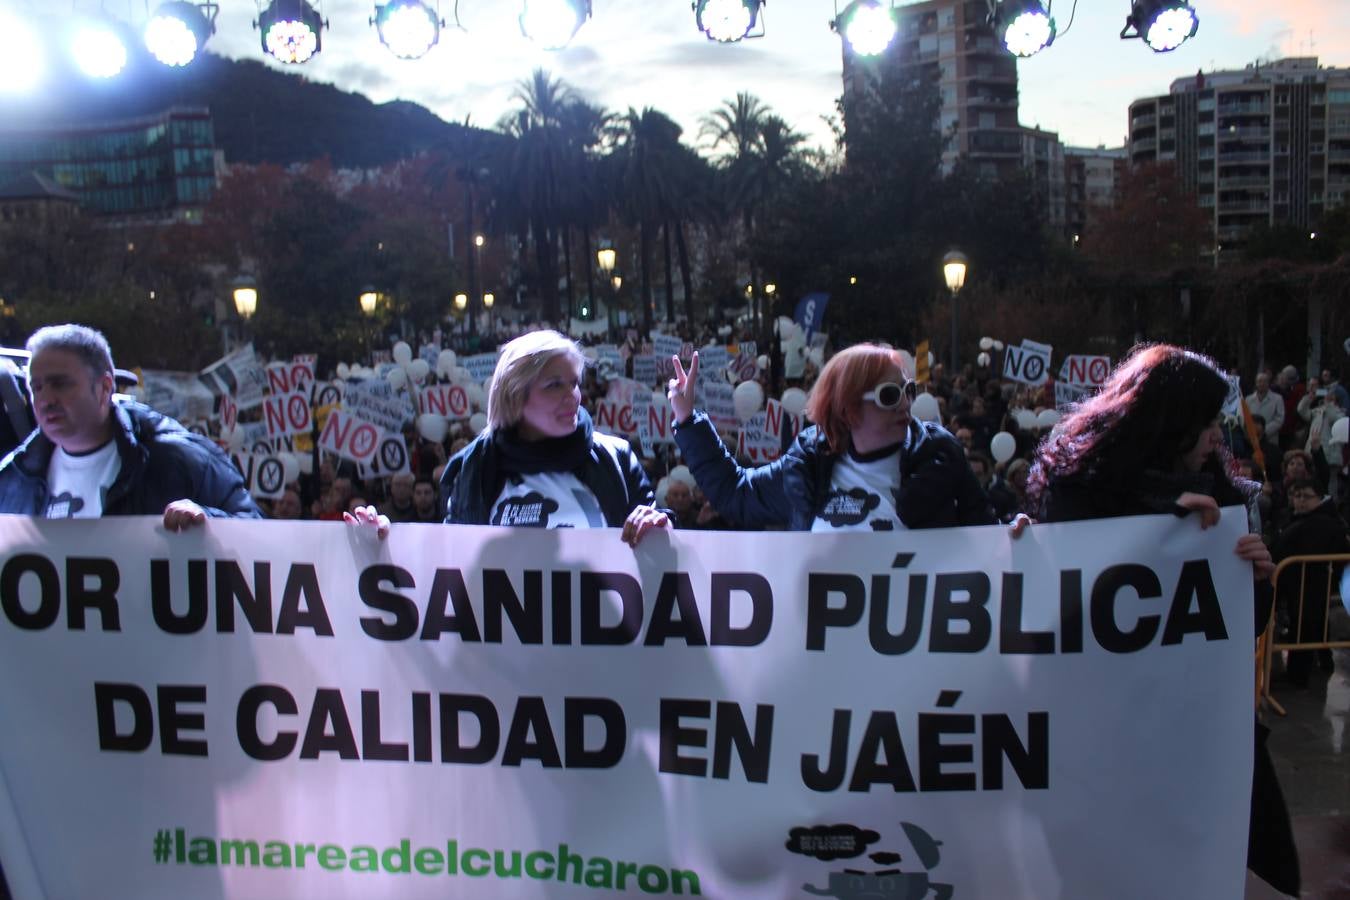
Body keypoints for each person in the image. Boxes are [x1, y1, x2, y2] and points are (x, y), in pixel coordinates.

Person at [1026, 343, 1298, 896]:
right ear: (1169, 423)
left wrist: (1256, 580)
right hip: (1105, 741)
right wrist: (1019, 546)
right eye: (1205, 425)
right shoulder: (1077, 489)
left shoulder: (1222, 497)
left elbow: (1235, 630)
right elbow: (1059, 605)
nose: (1216, 439)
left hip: (1194, 733)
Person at [348, 330, 667, 544]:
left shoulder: (617, 457)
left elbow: (664, 554)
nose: (573, 396)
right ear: (515, 395)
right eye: (554, 385)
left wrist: (658, 525)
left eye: (574, 382)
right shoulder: (474, 467)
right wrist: (386, 545)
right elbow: (449, 559)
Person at [668, 344, 996, 531]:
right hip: (829, 650)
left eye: (908, 391)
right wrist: (687, 418)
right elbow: (735, 494)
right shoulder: (809, 465)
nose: (906, 404)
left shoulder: (939, 456)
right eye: (890, 395)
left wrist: (1016, 536)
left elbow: (989, 540)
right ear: (848, 409)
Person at [0, 324, 260, 526]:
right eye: (36, 387)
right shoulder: (13, 479)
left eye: (60, 384)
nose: (45, 399)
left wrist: (208, 520)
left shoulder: (179, 461)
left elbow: (259, 537)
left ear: (103, 388)